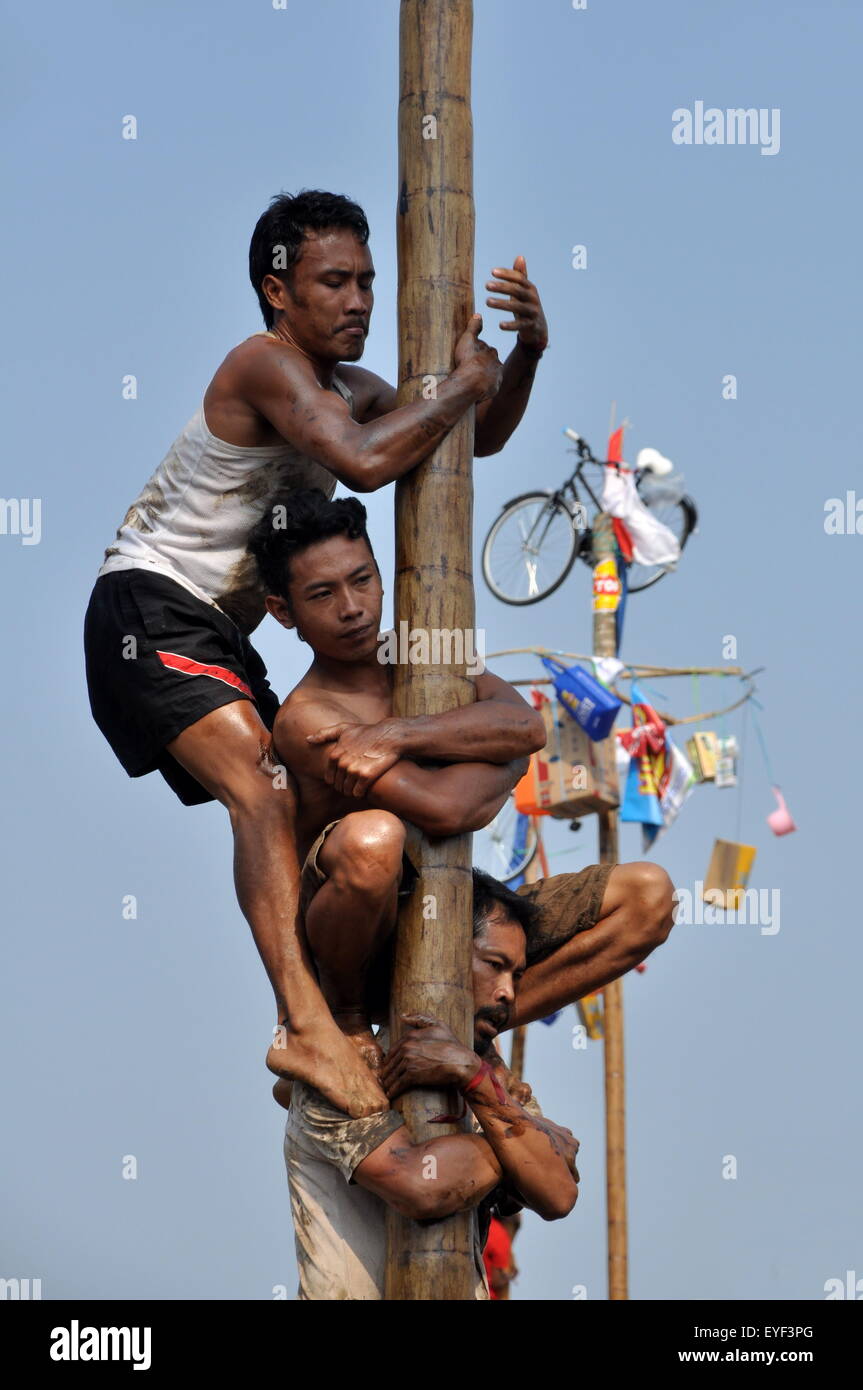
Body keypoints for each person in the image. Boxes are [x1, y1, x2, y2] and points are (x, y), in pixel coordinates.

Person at [82, 188, 551, 1117]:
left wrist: (524, 354)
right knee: (258, 788)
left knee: (299, 810)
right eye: (334, 281)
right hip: (147, 607)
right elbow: (370, 462)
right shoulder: (264, 365)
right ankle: (305, 1025)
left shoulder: (344, 388)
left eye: (367, 282)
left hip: (215, 631)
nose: (360, 301)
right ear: (276, 290)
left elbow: (471, 441)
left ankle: (336, 1010)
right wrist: (458, 383)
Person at [250, 487, 676, 1095]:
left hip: (459, 917)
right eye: (323, 594)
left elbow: (527, 725)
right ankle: (345, 1025)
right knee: (376, 838)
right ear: (282, 611)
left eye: (362, 580)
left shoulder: (426, 652)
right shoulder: (306, 719)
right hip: (361, 952)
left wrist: (400, 733)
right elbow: (450, 808)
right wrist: (503, 760)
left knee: (649, 894)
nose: (353, 608)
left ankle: (472, 1027)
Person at [278, 870, 582, 1301]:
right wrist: (524, 1145)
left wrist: (472, 1079)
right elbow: (423, 1186)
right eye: (495, 966)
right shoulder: (342, 1070)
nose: (508, 993)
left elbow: (557, 1194)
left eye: (516, 976)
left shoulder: (490, 1083)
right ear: (442, 956)